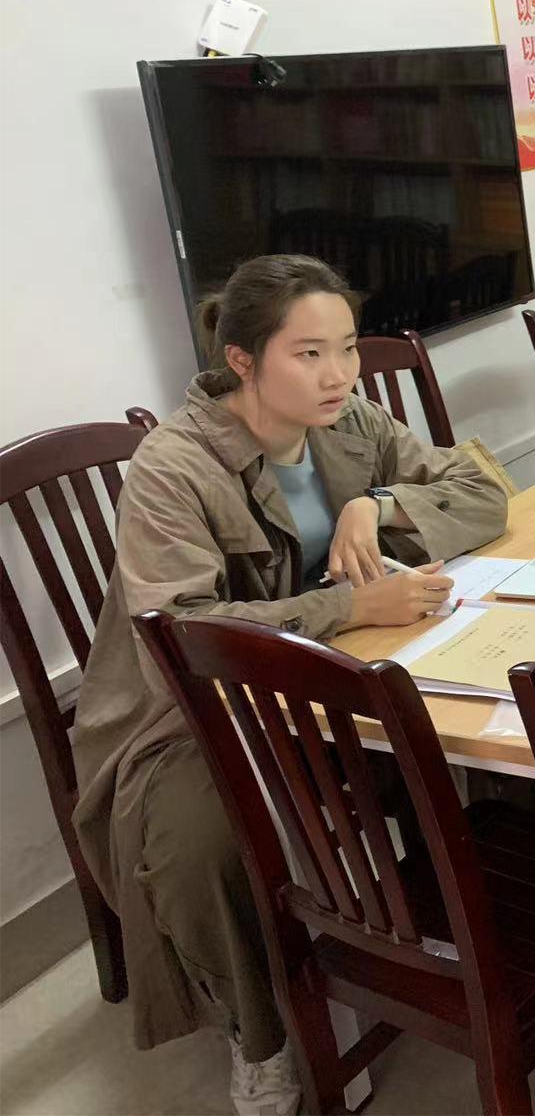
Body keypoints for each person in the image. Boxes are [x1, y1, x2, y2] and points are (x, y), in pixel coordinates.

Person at [71, 255, 509, 1116]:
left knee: (494, 727)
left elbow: (482, 491)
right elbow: (183, 635)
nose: (339, 373)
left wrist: (375, 505)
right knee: (202, 847)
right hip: (195, 709)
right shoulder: (175, 465)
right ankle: (259, 1035)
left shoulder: (350, 419)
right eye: (309, 354)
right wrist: (348, 605)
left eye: (347, 347)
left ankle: (497, 934)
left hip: (330, 682)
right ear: (242, 360)